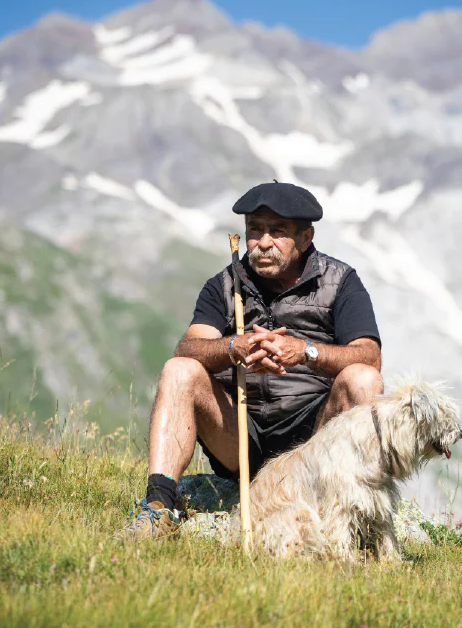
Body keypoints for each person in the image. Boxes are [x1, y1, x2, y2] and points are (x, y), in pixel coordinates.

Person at [116, 181, 383, 539]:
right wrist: (231, 349)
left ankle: (362, 522)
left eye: (278, 232)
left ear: (306, 237)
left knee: (363, 380)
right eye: (255, 230)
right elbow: (188, 349)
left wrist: (306, 352)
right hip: (240, 434)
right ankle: (159, 509)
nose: (264, 242)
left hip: (313, 441)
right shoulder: (225, 285)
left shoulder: (341, 283)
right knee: (179, 371)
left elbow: (369, 356)